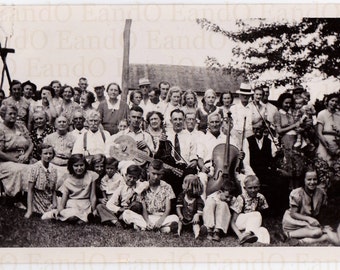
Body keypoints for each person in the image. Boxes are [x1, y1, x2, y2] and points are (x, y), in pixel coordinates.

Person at [121, 159, 179, 232]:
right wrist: (148, 221)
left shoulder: (167, 187)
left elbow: (168, 208)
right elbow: (143, 207)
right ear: (148, 172)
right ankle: (160, 229)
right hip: (147, 217)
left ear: (162, 173)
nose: (156, 177)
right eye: (153, 174)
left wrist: (160, 221)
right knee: (127, 213)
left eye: (158, 174)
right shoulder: (143, 186)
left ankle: (143, 227)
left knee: (175, 218)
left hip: (161, 217)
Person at [155, 108, 198, 197]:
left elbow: (193, 154)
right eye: (175, 119)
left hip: (185, 167)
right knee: (166, 174)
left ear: (184, 120)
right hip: (170, 167)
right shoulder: (165, 135)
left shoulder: (190, 136)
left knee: (190, 174)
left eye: (180, 119)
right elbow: (157, 157)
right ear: (171, 121)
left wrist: (194, 161)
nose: (178, 122)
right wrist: (161, 143)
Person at [281, 167, 329, 245]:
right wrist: (309, 219)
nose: (312, 182)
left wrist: (321, 225)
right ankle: (287, 235)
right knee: (317, 232)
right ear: (303, 180)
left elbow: (320, 212)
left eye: (315, 179)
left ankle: (300, 242)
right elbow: (293, 214)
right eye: (309, 179)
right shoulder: (297, 193)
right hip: (293, 222)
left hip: (308, 223)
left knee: (328, 235)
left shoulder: (321, 193)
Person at [274, 92, 307, 189]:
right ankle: (289, 191)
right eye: (286, 103)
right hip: (285, 141)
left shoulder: (293, 112)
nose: (288, 105)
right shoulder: (278, 113)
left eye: (289, 103)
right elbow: (279, 130)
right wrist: (294, 125)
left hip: (295, 141)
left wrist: (301, 127)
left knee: (297, 167)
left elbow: (300, 125)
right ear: (281, 102)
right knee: (288, 167)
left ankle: (297, 191)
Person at [0, 104, 33, 198]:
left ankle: (35, 197)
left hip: (24, 158)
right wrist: (15, 160)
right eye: (10, 114)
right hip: (5, 162)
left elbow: (31, 143)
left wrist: (26, 155)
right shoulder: (1, 129)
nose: (13, 116)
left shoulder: (21, 126)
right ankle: (16, 197)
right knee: (21, 169)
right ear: (3, 115)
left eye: (15, 114)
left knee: (38, 167)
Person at [230, 175, 270, 245]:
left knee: (263, 230)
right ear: (245, 188)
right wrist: (240, 235)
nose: (253, 190)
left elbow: (262, 215)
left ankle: (258, 243)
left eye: (255, 187)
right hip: (240, 222)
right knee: (256, 214)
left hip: (253, 223)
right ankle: (246, 235)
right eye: (250, 188)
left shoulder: (260, 197)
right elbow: (233, 222)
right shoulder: (241, 198)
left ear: (259, 186)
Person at [57, 154, 97, 224]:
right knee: (72, 215)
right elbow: (64, 197)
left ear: (85, 165)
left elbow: (93, 196)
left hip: (85, 204)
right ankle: (76, 218)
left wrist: (94, 210)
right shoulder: (68, 179)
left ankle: (84, 218)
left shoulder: (91, 176)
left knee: (82, 219)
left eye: (81, 165)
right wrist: (61, 210)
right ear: (71, 166)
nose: (79, 168)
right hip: (72, 204)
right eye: (76, 166)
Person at [24, 144, 58, 219]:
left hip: (49, 198)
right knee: (50, 215)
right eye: (45, 153)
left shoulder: (54, 169)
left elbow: (53, 189)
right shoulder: (34, 168)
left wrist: (55, 202)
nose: (48, 156)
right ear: (40, 154)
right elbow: (30, 189)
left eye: (50, 153)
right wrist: (29, 211)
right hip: (38, 200)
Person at [43, 114, 76, 187]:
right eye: (59, 122)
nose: (62, 123)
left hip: (67, 167)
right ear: (55, 125)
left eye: (64, 122)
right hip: (52, 166)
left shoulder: (73, 138)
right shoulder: (49, 138)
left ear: (68, 125)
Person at [176, 174, 205, 239]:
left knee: (196, 225)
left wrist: (197, 215)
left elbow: (200, 210)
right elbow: (178, 207)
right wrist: (180, 215)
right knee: (179, 221)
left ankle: (197, 234)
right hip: (183, 218)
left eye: (184, 183)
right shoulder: (182, 195)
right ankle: (177, 232)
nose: (182, 184)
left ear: (190, 187)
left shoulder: (198, 199)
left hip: (193, 220)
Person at [316, 93, 340, 167]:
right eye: (332, 100)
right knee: (324, 167)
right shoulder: (322, 114)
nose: (334, 103)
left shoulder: (339, 115)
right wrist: (327, 147)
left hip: (337, 147)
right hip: (325, 146)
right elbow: (319, 133)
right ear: (328, 101)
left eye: (336, 101)